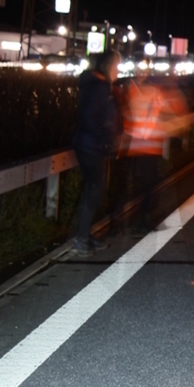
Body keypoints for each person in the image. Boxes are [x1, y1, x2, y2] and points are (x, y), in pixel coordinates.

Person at [123, 68, 187, 233]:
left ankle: (132, 222)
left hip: (138, 145)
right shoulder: (152, 92)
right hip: (146, 145)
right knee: (148, 186)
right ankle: (141, 222)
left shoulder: (136, 90)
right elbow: (173, 113)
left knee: (142, 186)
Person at [72, 50, 122, 255]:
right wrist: (104, 141)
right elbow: (92, 118)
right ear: (108, 67)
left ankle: (84, 235)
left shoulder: (99, 85)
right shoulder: (99, 88)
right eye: (116, 67)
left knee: (96, 190)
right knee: (95, 190)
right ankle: (80, 237)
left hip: (92, 146)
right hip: (92, 148)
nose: (118, 72)